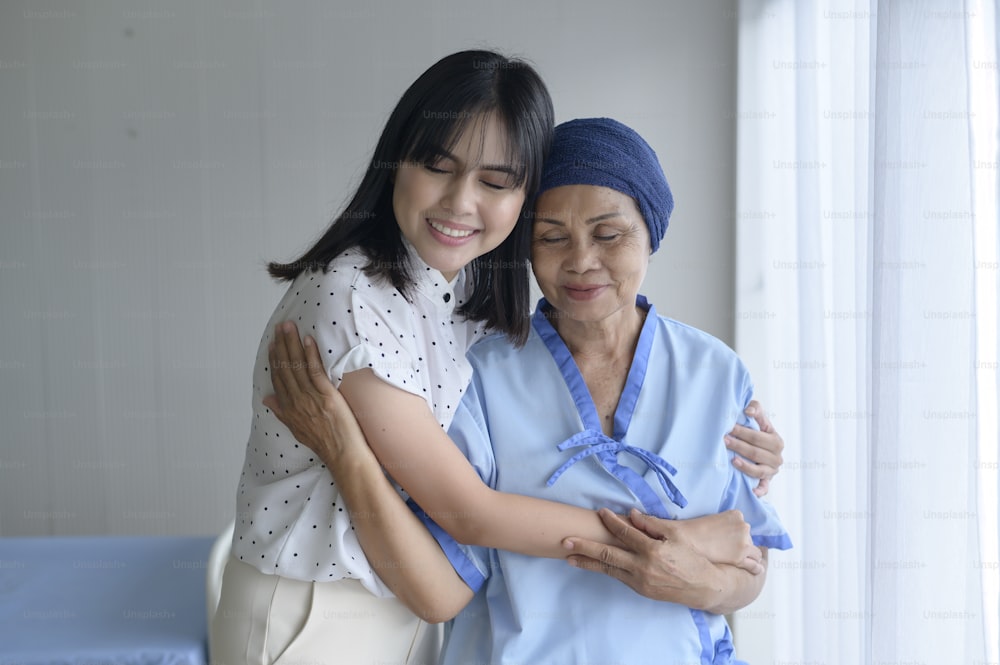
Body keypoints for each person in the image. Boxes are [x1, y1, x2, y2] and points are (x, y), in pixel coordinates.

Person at [213, 48, 783, 665]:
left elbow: (748, 561)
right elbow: (466, 530)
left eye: (494, 182)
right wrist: (672, 541)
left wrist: (706, 574)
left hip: (398, 622)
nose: (582, 260)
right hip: (320, 615)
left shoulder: (713, 370)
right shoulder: (400, 321)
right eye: (552, 236)